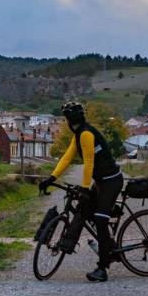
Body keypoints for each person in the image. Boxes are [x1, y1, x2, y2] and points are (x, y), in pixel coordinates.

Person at [38, 101, 123, 282]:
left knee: (100, 219)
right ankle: (111, 248)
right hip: (101, 182)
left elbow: (89, 163)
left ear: (69, 120)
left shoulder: (85, 134)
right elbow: (67, 157)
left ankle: (102, 268)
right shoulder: (79, 134)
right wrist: (51, 178)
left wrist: (85, 189)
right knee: (85, 210)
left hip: (111, 182)